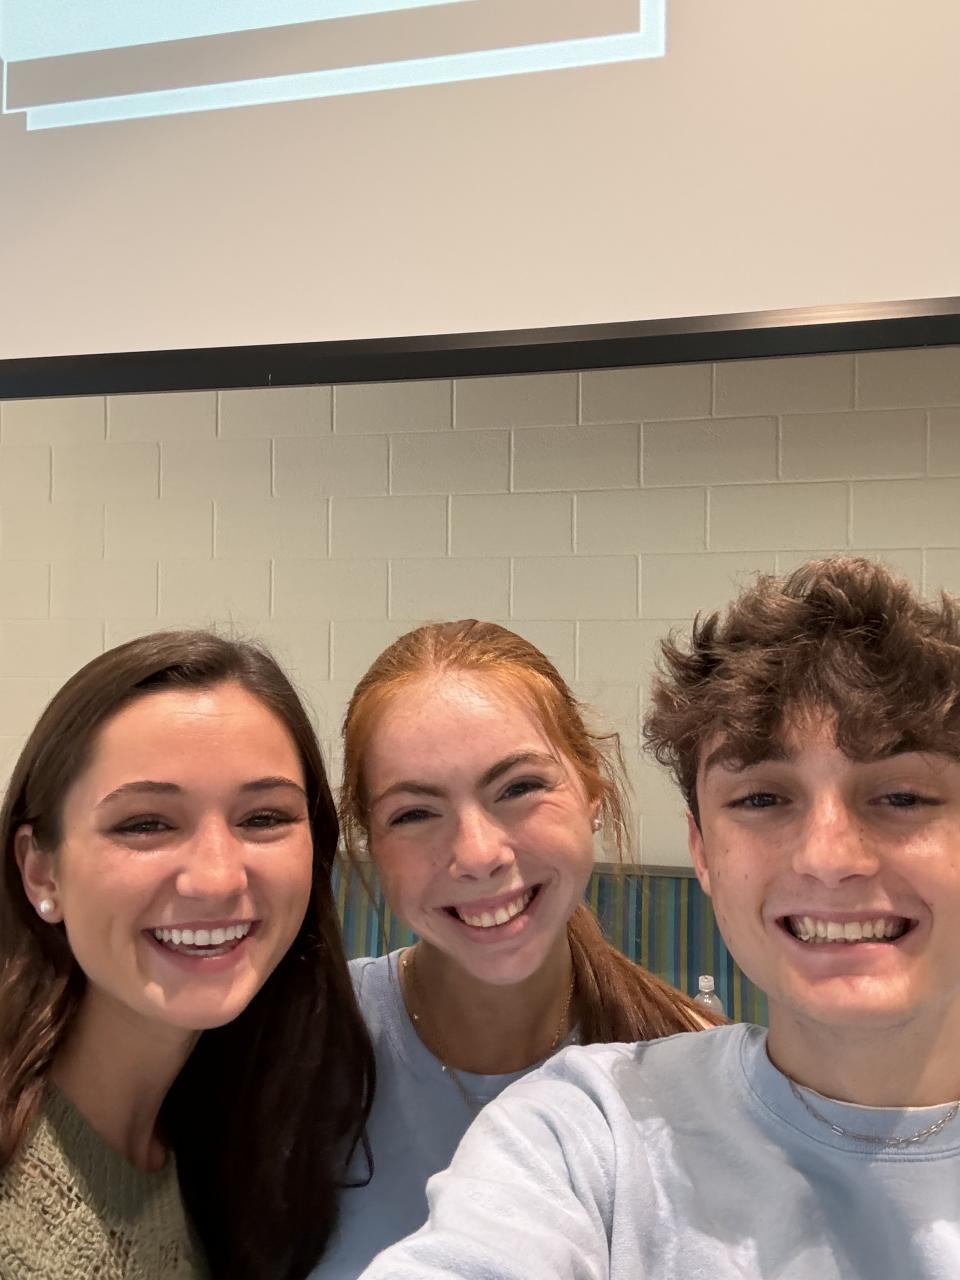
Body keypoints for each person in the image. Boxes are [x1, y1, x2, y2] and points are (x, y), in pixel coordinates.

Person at [356, 557, 960, 1279]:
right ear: (701, 849)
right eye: (762, 799)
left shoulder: (663, 1035)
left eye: (902, 797)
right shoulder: (590, 1125)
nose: (830, 858)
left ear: (592, 794)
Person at [313, 620, 717, 1278]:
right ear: (372, 844)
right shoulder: (302, 1046)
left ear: (591, 792)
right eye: (414, 813)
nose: (478, 855)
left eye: (519, 788)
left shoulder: (695, 1070)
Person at [0, 631, 374, 1280]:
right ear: (41, 872)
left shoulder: (230, 1127)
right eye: (146, 823)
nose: (217, 879)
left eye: (264, 818)